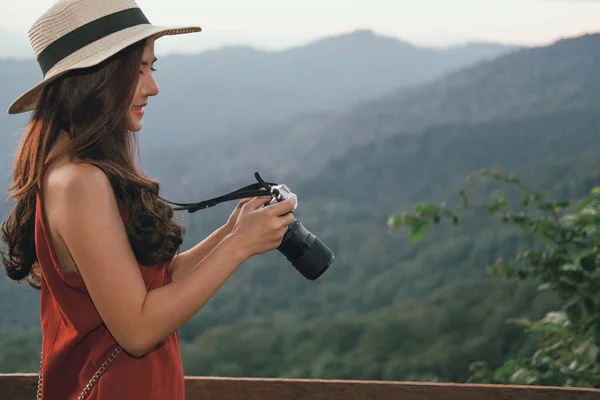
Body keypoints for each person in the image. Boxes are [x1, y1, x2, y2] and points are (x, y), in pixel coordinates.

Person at [1, 1, 296, 399]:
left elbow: (152, 286)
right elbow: (137, 330)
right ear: (97, 77)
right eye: (139, 69)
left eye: (150, 68)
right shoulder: (79, 182)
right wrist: (240, 247)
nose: (152, 86)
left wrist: (230, 233)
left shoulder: (69, 171)